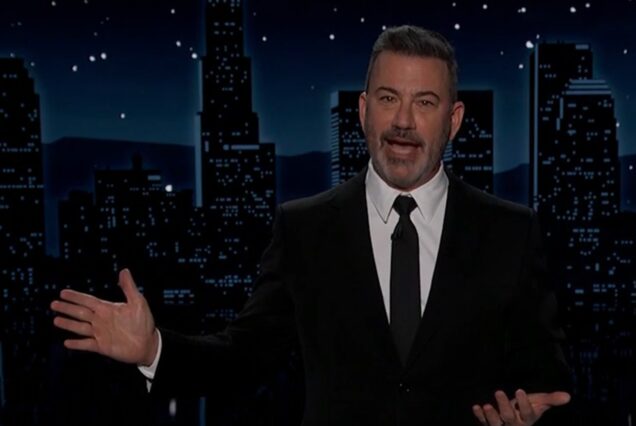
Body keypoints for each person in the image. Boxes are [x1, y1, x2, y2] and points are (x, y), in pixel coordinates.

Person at [51, 25, 572, 425]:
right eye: (388, 98)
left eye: (425, 103)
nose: (403, 121)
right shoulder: (304, 229)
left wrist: (531, 417)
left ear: (453, 121)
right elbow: (245, 357)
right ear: (363, 111)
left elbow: (549, 383)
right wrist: (154, 350)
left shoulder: (511, 232)